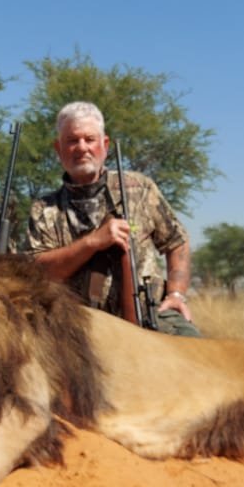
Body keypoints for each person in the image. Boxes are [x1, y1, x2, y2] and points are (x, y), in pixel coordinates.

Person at [27, 102, 200, 337]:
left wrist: (176, 294)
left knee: (197, 351)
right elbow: (38, 271)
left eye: (89, 139)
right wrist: (92, 243)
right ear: (58, 149)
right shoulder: (44, 208)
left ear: (104, 145)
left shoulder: (140, 188)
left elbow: (177, 241)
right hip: (78, 328)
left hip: (150, 316)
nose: (81, 148)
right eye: (72, 141)